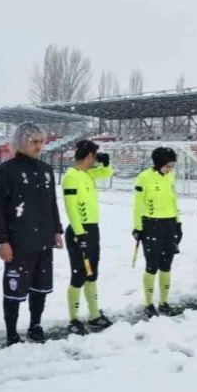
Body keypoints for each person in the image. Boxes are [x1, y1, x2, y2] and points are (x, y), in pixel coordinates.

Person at [0, 123, 64, 345]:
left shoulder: (46, 170)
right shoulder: (6, 171)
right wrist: (2, 240)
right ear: (22, 142)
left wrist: (56, 230)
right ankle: (11, 331)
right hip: (18, 241)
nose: (39, 146)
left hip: (43, 240)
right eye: (34, 142)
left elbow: (51, 203)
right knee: (14, 289)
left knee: (40, 287)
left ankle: (35, 325)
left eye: (42, 141)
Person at [61, 140, 116, 334]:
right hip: (79, 231)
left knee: (92, 274)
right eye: (95, 156)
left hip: (92, 229)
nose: (96, 160)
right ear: (89, 156)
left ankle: (94, 316)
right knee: (79, 275)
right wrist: (79, 233)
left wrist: (106, 162)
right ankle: (74, 319)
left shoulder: (87, 174)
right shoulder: (71, 176)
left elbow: (108, 173)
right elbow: (71, 207)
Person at [134, 147, 183, 317]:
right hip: (151, 225)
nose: (171, 169)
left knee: (166, 266)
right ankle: (149, 304)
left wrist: (178, 223)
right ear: (159, 163)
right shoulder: (144, 178)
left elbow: (173, 200)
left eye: (172, 166)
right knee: (152, 266)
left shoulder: (171, 176)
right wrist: (137, 227)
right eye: (168, 166)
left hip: (170, 224)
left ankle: (164, 302)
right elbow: (138, 205)